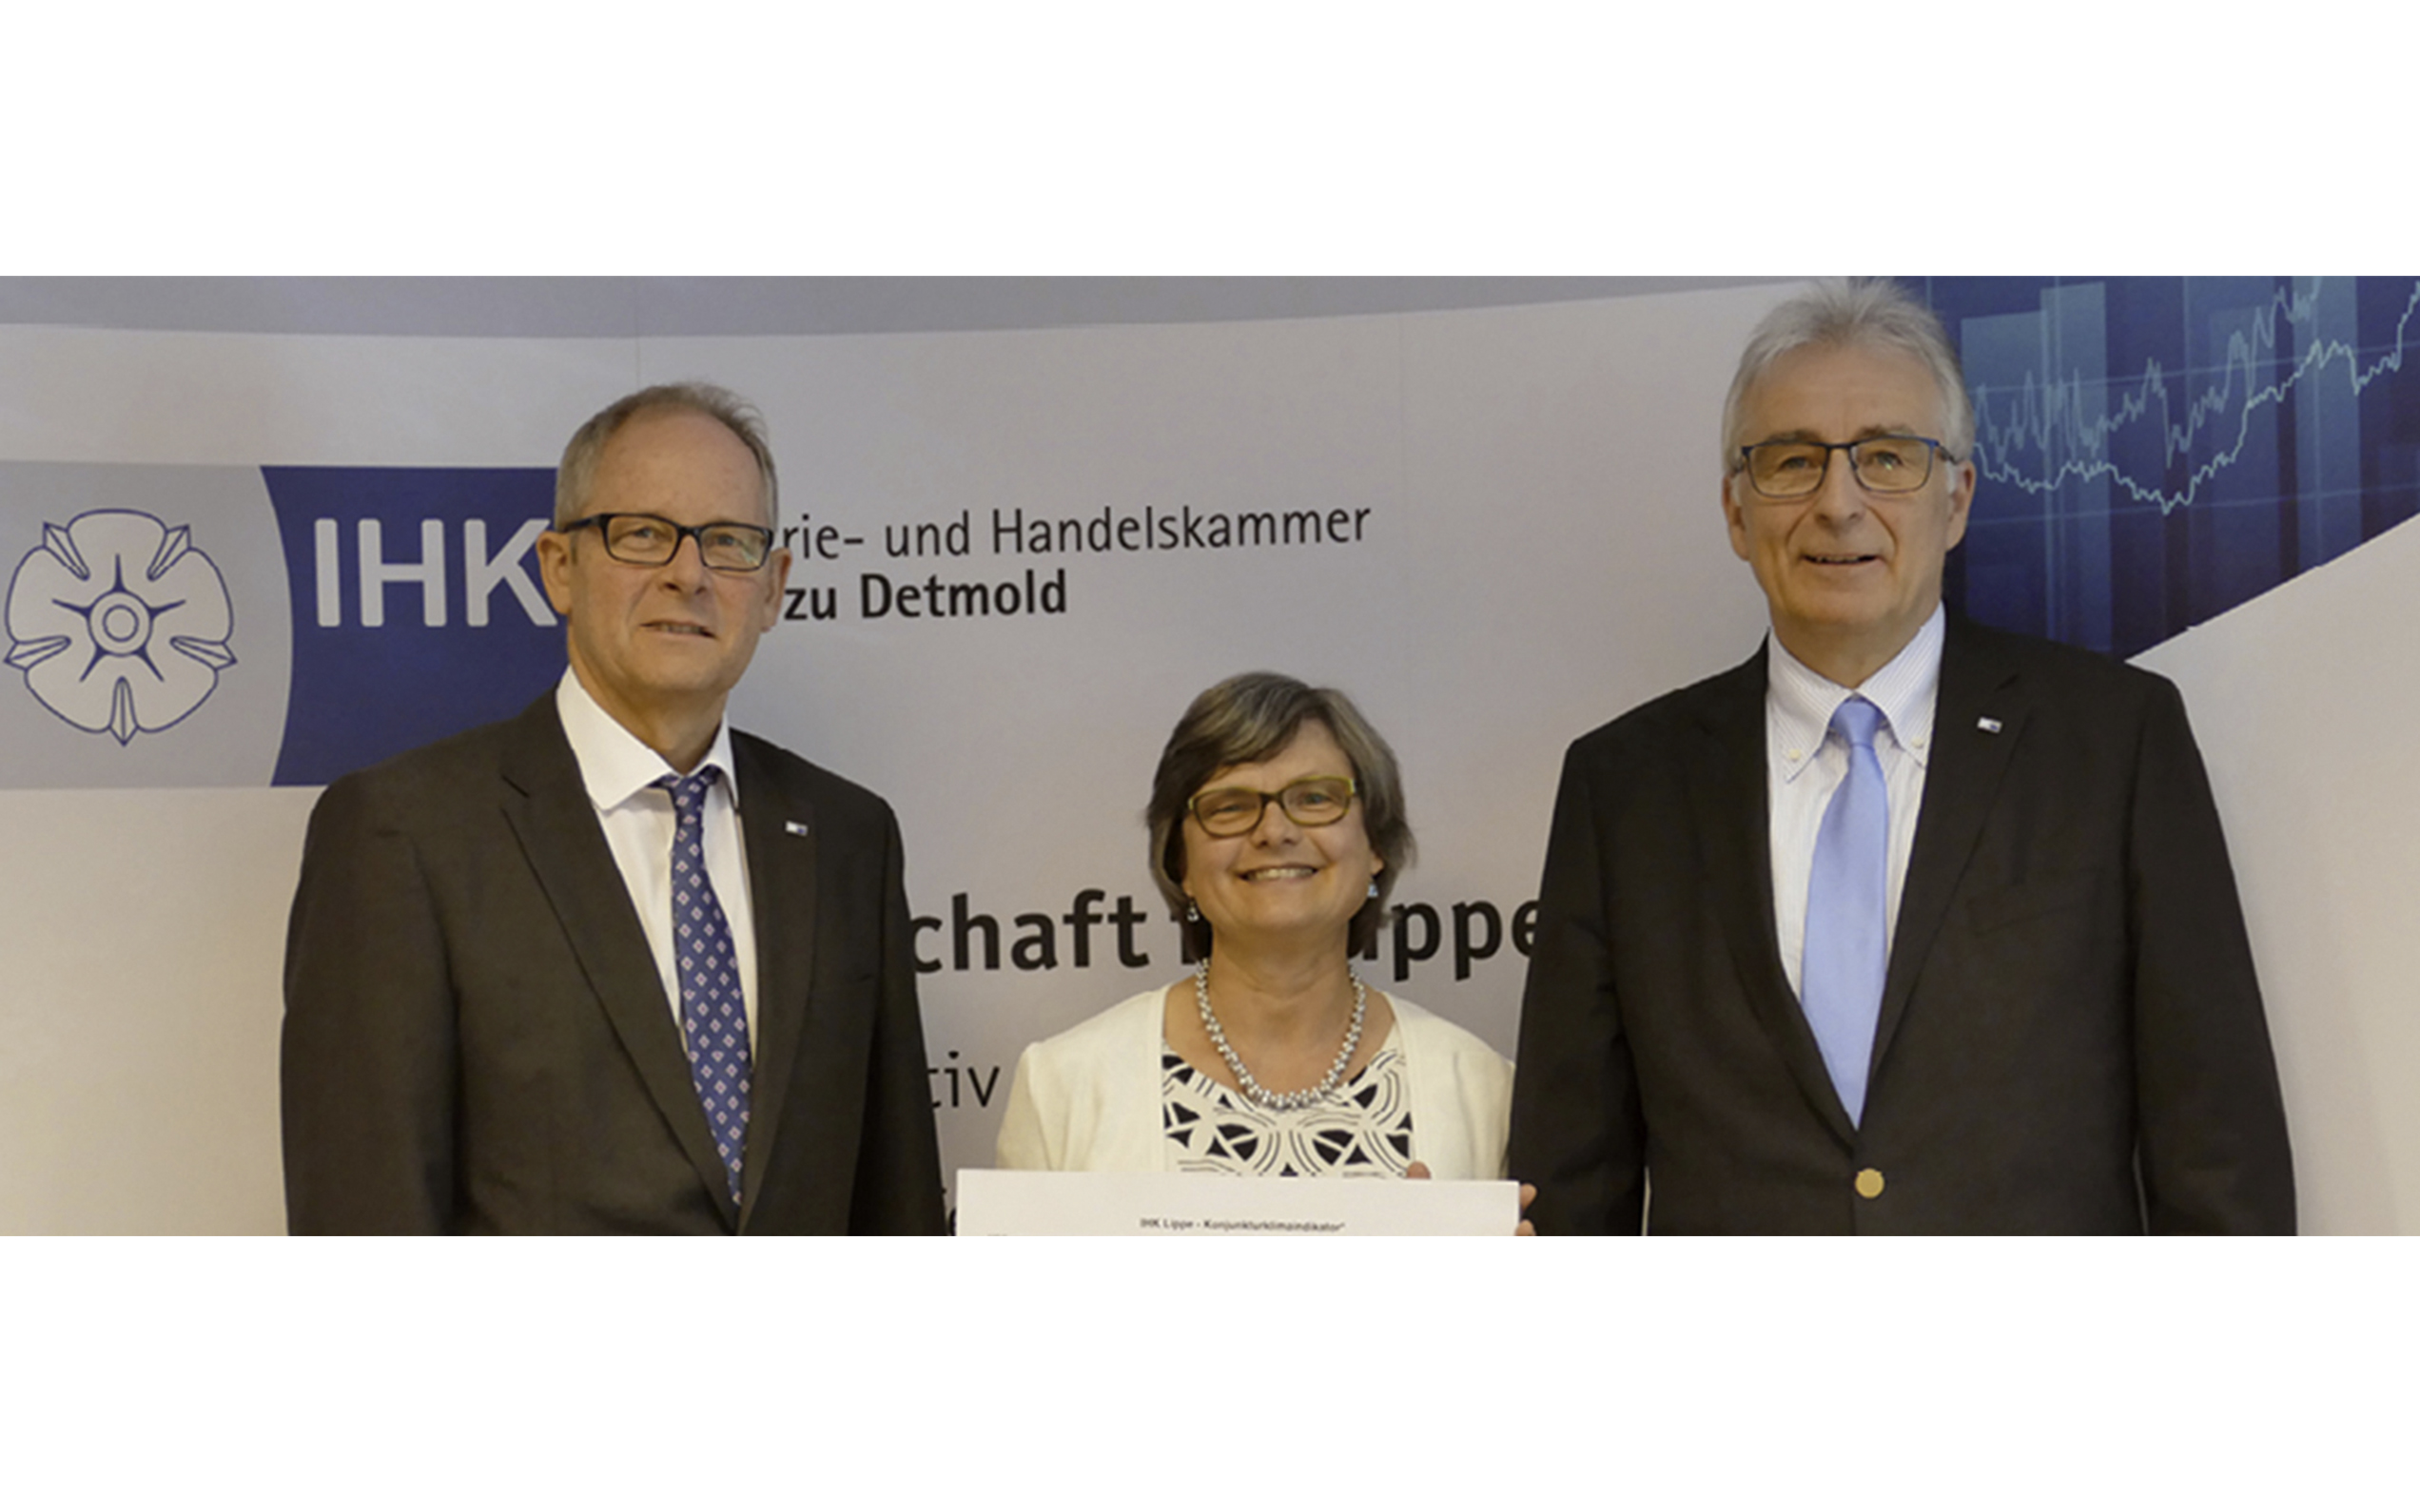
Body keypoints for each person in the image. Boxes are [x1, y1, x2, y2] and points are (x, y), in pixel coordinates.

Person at [1510, 280, 2295, 1234]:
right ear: (1735, 512)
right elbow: (1571, 1187)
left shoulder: (2115, 742)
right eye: (1792, 462)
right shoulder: (1622, 789)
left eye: (1887, 458)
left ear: (1956, 499)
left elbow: (2220, 1155)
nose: (1839, 504)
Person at [281, 382, 945, 1233]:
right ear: (559, 567)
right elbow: (364, 1222)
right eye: (643, 534)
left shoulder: (849, 837)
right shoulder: (402, 833)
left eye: (728, 542)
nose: (688, 574)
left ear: (774, 587)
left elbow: (896, 1209)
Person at [996, 672, 1511, 1179]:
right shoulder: (1061, 1085)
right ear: (1181, 862)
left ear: (1375, 844)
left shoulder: (1482, 1088)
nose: (1275, 832)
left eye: (1315, 798)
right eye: (1230, 807)